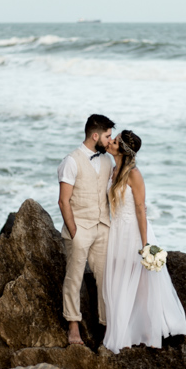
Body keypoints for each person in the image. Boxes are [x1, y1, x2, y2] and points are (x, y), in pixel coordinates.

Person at [102, 130, 186, 354]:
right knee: (121, 280)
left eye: (114, 141)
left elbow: (141, 209)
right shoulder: (113, 170)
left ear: (121, 149)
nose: (110, 142)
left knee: (144, 283)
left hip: (135, 232)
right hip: (117, 231)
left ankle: (151, 332)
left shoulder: (134, 174)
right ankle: (127, 331)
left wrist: (145, 244)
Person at [57, 114, 115, 345]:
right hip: (80, 228)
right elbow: (63, 201)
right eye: (107, 136)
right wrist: (74, 231)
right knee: (74, 277)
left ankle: (106, 326)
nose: (110, 141)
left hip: (104, 227)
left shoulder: (108, 161)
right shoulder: (71, 161)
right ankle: (73, 326)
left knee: (105, 278)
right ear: (95, 136)